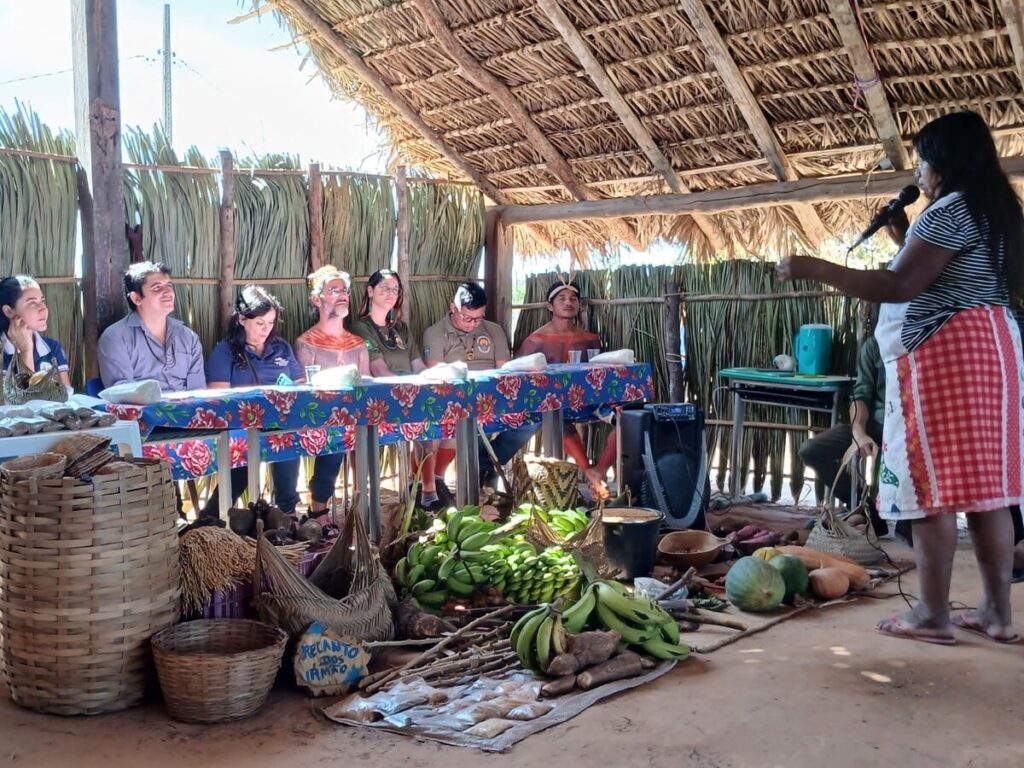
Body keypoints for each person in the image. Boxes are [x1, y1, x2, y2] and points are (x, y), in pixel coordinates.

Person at [777, 111, 1022, 645]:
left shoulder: (947, 211)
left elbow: (898, 285)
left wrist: (814, 268)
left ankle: (930, 615)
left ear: (944, 161)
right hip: (994, 351)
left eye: (923, 159)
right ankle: (998, 615)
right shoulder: (998, 212)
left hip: (946, 354)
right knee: (987, 492)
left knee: (927, 489)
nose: (921, 171)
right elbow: (953, 276)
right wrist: (908, 235)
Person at [423, 282, 539, 490]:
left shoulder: (493, 330)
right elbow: (437, 373)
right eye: (467, 317)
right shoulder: (435, 333)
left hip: (494, 400)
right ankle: (475, 478)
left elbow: (504, 370)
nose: (473, 323)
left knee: (532, 419)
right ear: (453, 308)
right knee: (470, 427)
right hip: (458, 404)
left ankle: (485, 465)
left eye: (478, 318)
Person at [204, 286, 304, 517]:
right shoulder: (226, 351)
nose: (266, 330)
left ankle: (286, 513)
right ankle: (212, 517)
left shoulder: (281, 348)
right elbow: (217, 399)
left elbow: (301, 387)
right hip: (239, 425)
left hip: (280, 421)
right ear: (242, 319)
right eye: (260, 323)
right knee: (250, 445)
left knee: (285, 436)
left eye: (270, 323)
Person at [349, 270, 442, 508]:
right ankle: (364, 496)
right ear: (370, 291)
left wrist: (431, 381)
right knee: (359, 432)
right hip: (378, 398)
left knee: (430, 415)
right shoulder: (361, 328)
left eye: (395, 289)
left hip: (408, 394)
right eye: (384, 288)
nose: (391, 294)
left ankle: (428, 492)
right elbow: (378, 370)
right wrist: (408, 392)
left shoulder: (401, 329)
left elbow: (418, 365)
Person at [518, 280, 615, 491]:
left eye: (573, 299)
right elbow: (519, 374)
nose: (568, 302)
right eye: (561, 298)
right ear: (550, 306)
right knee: (555, 414)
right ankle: (588, 469)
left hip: (589, 401)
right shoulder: (536, 340)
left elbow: (597, 371)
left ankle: (601, 469)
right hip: (554, 405)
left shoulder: (590, 339)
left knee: (627, 416)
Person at [294, 266, 370, 523]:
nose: (342, 296)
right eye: (334, 290)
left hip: (354, 417)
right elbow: (307, 388)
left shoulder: (357, 344)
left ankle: (363, 500)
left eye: (345, 291)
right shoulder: (307, 343)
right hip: (323, 418)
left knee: (362, 429)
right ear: (317, 299)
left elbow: (366, 385)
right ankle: (318, 507)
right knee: (336, 433)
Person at [798, 303, 885, 524]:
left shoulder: (925, 347)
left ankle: (904, 521)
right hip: (878, 425)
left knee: (913, 538)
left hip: (913, 433)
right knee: (811, 449)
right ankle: (865, 509)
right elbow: (861, 394)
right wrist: (858, 430)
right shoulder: (873, 347)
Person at [98, 261, 206, 391]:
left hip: (187, 410)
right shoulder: (115, 338)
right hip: (142, 410)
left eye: (169, 286)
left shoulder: (189, 337)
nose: (168, 293)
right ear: (136, 298)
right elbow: (122, 395)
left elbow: (198, 392)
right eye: (157, 287)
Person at [0, 275, 71, 388]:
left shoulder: (52, 347)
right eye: (32, 303)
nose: (43, 309)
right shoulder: (2, 352)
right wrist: (26, 350)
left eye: (42, 301)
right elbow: (17, 402)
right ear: (9, 311)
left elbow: (66, 395)